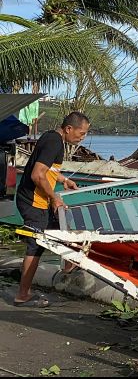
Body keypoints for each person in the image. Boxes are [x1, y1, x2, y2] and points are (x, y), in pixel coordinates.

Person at [14, 111, 90, 307]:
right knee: (36, 246)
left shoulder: (50, 137)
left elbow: (47, 170)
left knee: (64, 229)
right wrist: (54, 197)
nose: (83, 137)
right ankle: (23, 294)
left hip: (37, 199)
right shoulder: (54, 142)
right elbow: (37, 175)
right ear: (68, 129)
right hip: (33, 201)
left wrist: (64, 179)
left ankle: (67, 271)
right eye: (81, 133)